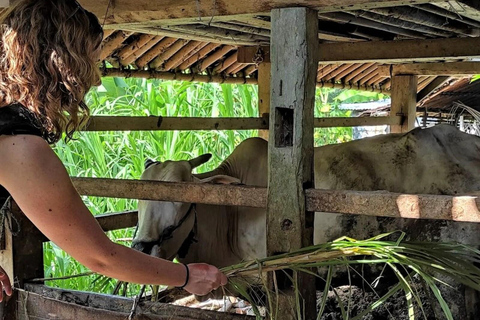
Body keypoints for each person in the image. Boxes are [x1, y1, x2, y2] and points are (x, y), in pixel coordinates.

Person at [0, 0, 227, 301]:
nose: (93, 78)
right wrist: (186, 276)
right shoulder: (20, 147)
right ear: (59, 63)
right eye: (88, 63)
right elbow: (101, 257)